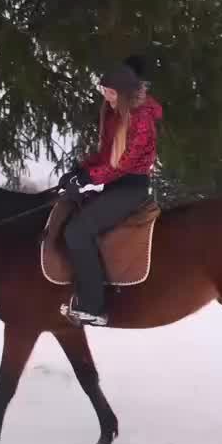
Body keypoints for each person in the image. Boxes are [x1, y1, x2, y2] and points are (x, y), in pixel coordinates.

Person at [58, 55, 163, 326]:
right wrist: (78, 171)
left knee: (78, 230)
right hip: (114, 182)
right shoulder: (115, 114)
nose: (106, 96)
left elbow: (124, 163)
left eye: (111, 92)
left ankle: (93, 306)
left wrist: (87, 178)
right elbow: (105, 154)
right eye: (104, 91)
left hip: (131, 186)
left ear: (124, 93)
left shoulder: (141, 119)